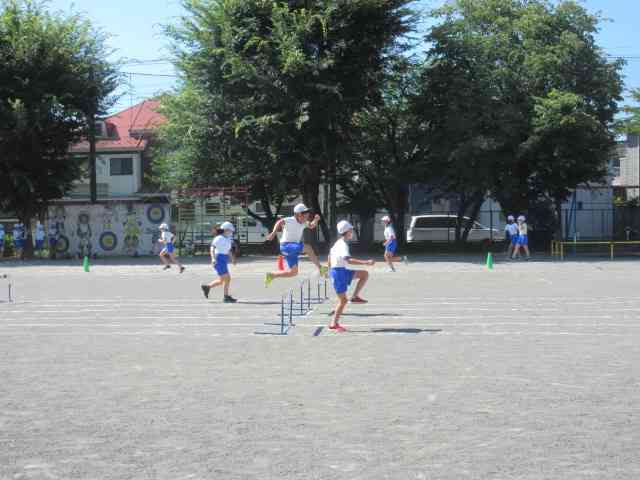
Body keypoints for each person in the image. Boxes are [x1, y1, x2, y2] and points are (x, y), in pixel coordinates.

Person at [328, 220, 375, 333]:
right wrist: (366, 262)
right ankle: (333, 324)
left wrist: (327, 270)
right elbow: (348, 260)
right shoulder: (343, 245)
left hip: (341, 271)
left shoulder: (338, 243)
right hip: (338, 273)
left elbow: (329, 256)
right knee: (343, 301)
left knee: (364, 274)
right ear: (347, 231)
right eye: (351, 230)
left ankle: (354, 296)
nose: (352, 232)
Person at [264, 203, 327, 287]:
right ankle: (320, 268)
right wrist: (273, 232)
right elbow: (279, 222)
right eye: (304, 215)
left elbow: (312, 226)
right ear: (298, 215)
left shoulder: (304, 222)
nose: (306, 217)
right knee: (308, 248)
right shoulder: (290, 220)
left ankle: (272, 275)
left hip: (292, 248)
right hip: (286, 246)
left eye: (307, 214)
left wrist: (316, 220)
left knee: (293, 272)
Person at [201, 222, 237, 303]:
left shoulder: (227, 239)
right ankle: (226, 297)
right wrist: (213, 258)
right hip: (218, 259)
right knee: (227, 278)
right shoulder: (219, 238)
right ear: (225, 230)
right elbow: (212, 248)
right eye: (230, 231)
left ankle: (207, 287)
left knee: (222, 280)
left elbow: (228, 250)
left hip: (223, 259)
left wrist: (232, 259)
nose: (231, 232)